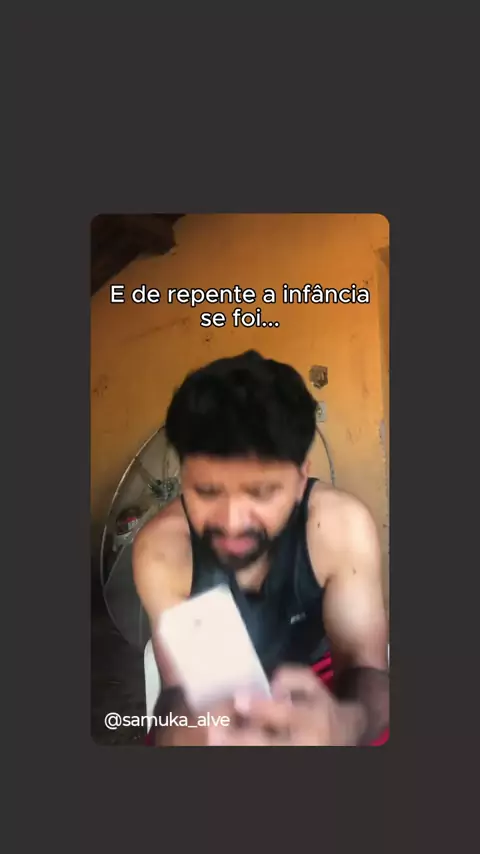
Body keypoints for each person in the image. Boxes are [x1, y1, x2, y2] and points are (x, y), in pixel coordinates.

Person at [133, 350, 389, 746]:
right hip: (214, 693)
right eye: (206, 491)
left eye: (262, 492)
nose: (232, 521)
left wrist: (344, 724)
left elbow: (365, 666)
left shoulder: (339, 527)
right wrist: (192, 734)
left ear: (301, 479)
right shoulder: (163, 550)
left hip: (318, 683)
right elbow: (179, 689)